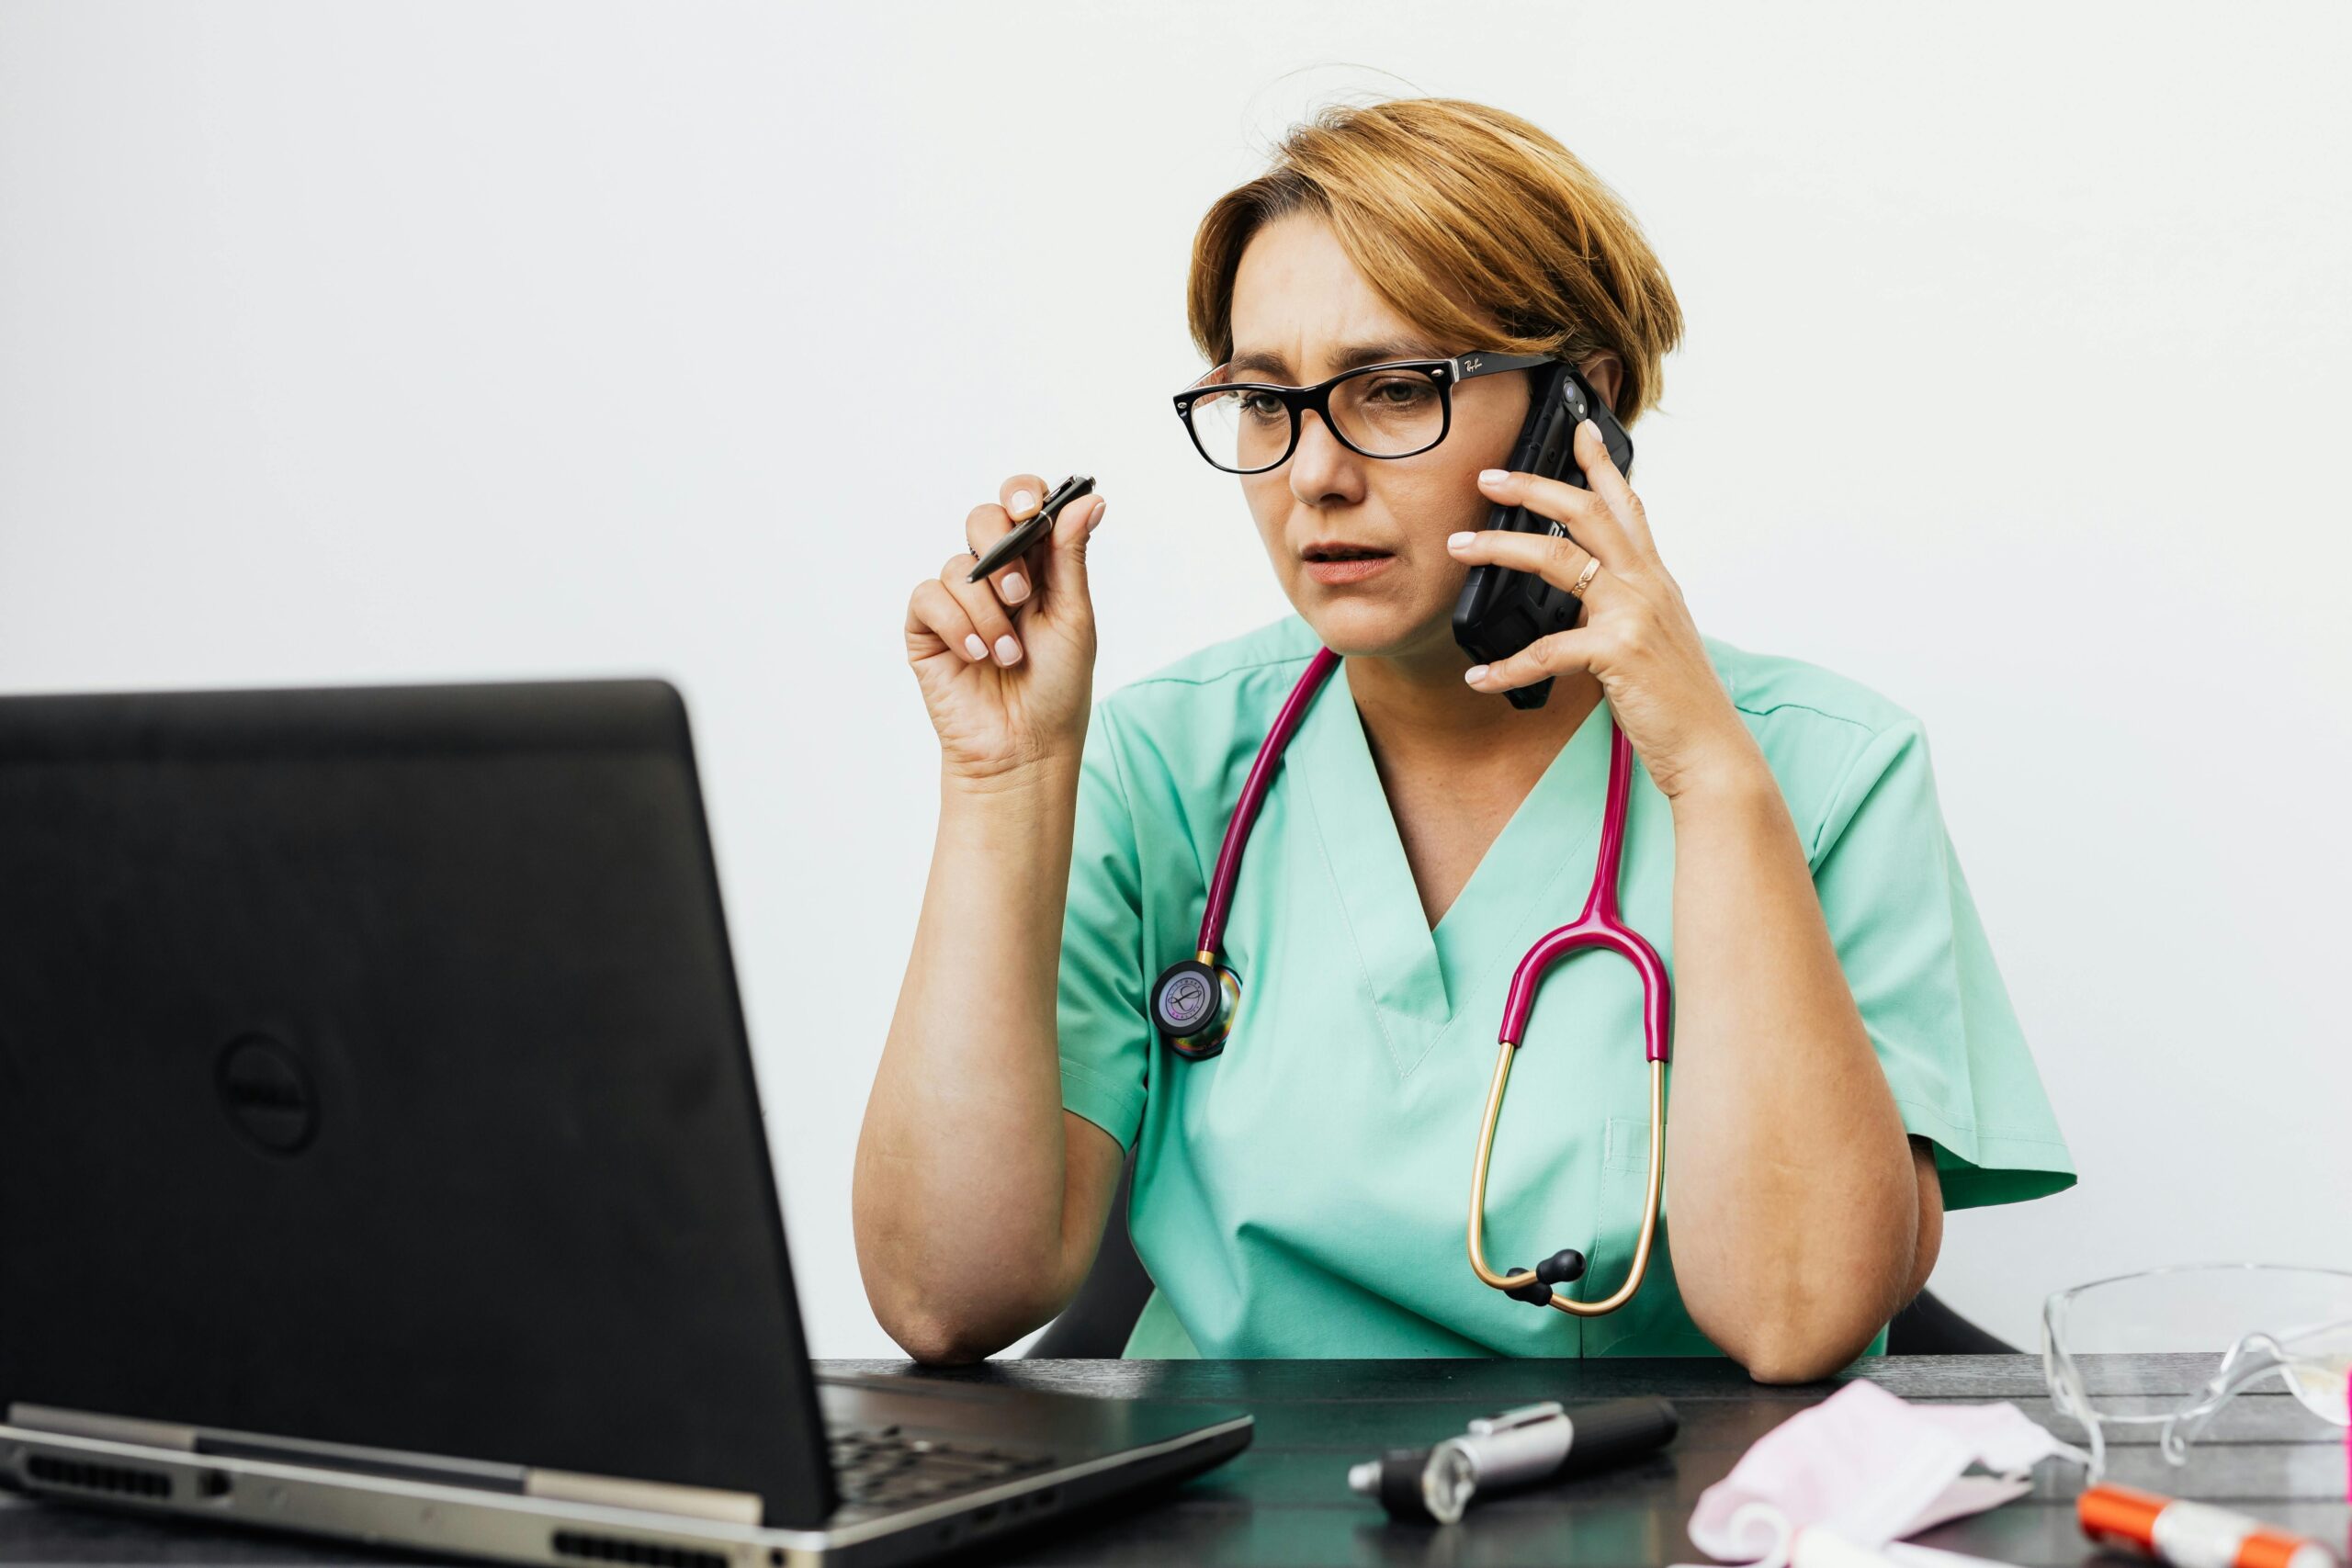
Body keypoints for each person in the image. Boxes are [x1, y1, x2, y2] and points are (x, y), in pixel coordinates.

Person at [854, 96, 2073, 1379]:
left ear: (1580, 413)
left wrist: (1712, 781)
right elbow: (945, 1298)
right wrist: (1006, 779)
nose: (1313, 474)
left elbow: (1800, 1320)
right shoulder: (1166, 764)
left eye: (1392, 392)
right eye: (1263, 404)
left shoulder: (1827, 768)